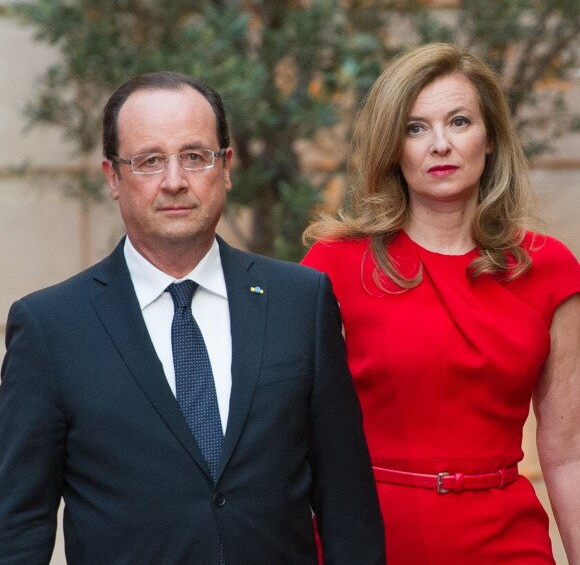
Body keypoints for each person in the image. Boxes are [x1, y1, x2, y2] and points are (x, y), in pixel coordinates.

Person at [0, 71, 386, 565]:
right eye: (149, 161)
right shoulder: (50, 328)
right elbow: (19, 526)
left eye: (195, 156)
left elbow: (347, 506)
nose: (175, 180)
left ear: (226, 167)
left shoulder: (300, 302)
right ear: (112, 177)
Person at [302, 43, 580, 564]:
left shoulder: (550, 269)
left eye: (458, 121)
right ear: (393, 145)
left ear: (490, 137)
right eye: (415, 128)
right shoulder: (334, 264)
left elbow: (569, 456)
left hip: (508, 543)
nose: (439, 145)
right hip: (370, 539)